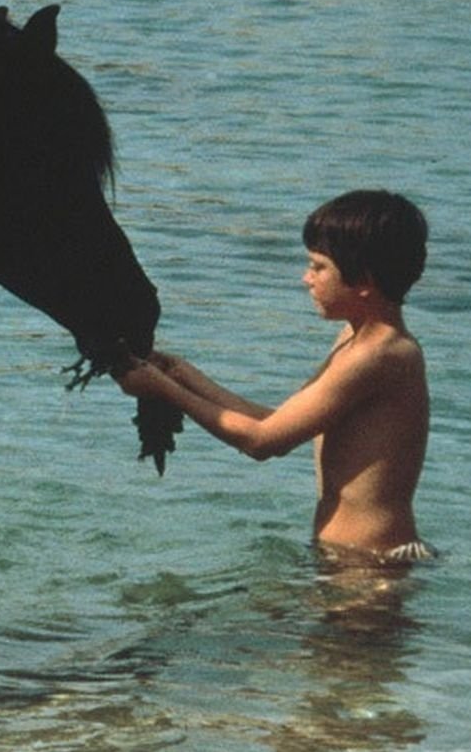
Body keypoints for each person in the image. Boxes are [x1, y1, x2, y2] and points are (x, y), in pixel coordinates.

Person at [117, 190, 432, 564]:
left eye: (318, 267)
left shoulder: (379, 355)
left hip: (372, 565)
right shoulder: (355, 338)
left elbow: (262, 443)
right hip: (348, 560)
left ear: (364, 280)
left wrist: (162, 388)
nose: (306, 279)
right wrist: (183, 374)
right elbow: (276, 422)